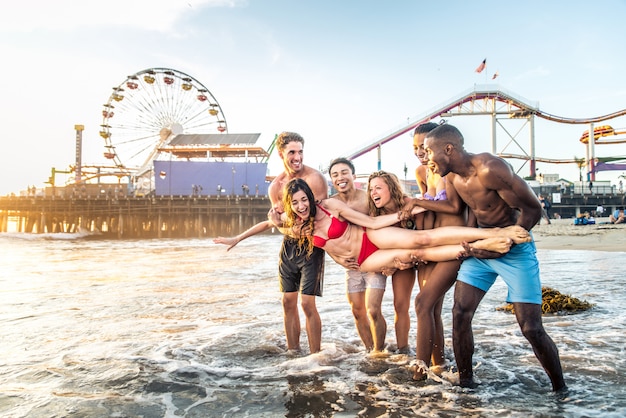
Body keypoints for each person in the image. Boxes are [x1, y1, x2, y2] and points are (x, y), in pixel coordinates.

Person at [402, 124, 566, 391]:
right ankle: (467, 386)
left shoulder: (491, 169)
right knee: (460, 313)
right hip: (480, 248)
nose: (427, 158)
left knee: (531, 328)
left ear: (448, 149)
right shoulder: (453, 176)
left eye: (429, 151)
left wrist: (505, 243)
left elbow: (532, 210)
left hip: (513, 249)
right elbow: (461, 211)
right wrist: (475, 243)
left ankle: (562, 391)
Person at [215, 131, 328, 355]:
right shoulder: (275, 186)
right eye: (292, 152)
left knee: (307, 304)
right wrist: (238, 238)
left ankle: (316, 357)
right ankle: (293, 352)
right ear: (281, 154)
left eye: (300, 152)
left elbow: (322, 218)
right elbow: (276, 223)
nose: (297, 157)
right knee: (287, 302)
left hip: (312, 247)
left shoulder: (315, 179)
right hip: (288, 247)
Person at [275, 178, 530, 274]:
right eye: (295, 202)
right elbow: (273, 222)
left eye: (303, 199)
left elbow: (373, 222)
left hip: (371, 237)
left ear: (310, 197)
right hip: (363, 262)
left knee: (423, 240)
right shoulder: (298, 226)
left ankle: (496, 232)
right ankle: (475, 246)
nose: (301, 206)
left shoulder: (329, 206)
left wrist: (413, 209)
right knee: (416, 254)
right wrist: (341, 261)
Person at [410, 122, 470, 379]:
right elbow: (427, 208)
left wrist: (416, 201)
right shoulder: (421, 172)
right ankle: (439, 366)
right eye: (415, 147)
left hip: (453, 244)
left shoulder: (449, 171)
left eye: (424, 146)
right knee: (431, 307)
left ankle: (419, 372)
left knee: (422, 303)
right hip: (431, 243)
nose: (420, 152)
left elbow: (455, 207)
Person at [328, 158, 387, 352]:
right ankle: (370, 351)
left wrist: (389, 258)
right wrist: (338, 259)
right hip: (352, 266)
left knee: (373, 309)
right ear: (331, 180)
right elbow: (322, 235)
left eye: (344, 172)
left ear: (353, 176)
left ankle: (379, 352)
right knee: (357, 311)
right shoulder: (331, 204)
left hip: (374, 261)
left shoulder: (367, 199)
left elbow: (386, 227)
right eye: (335, 175)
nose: (340, 178)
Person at [367, 170, 417, 354]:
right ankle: (375, 349)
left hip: (408, 258)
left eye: (378, 188)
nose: (373, 193)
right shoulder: (373, 212)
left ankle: (403, 349)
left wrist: (405, 262)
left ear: (392, 188)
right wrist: (387, 263)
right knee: (371, 309)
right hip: (384, 258)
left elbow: (423, 238)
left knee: (400, 305)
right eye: (371, 189)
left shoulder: (409, 205)